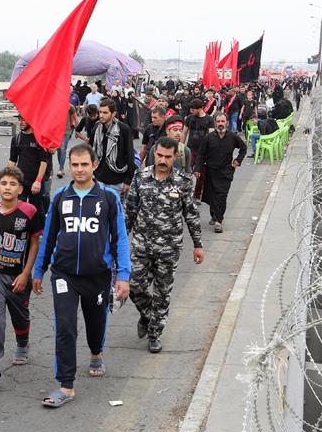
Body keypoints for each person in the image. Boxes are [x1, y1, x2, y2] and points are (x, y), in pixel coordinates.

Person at [32, 143, 131, 408]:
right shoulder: (61, 198)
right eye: (74, 165)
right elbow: (49, 236)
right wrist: (38, 270)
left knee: (95, 322)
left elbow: (119, 238)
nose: (78, 170)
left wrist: (123, 275)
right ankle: (66, 385)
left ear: (94, 165)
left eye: (84, 164)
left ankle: (96, 352)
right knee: (65, 327)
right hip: (64, 274)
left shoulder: (108, 198)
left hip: (97, 275)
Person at [127, 137, 204, 353]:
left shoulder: (183, 181)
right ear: (154, 153)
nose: (162, 160)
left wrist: (197, 244)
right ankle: (147, 314)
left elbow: (191, 215)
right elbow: (130, 211)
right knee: (134, 285)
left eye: (167, 157)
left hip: (169, 249)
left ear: (175, 158)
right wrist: (119, 243)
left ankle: (154, 333)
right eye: (159, 155)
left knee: (162, 293)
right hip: (141, 244)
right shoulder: (140, 177)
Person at [0, 167, 43, 396]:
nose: (7, 187)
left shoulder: (30, 212)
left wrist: (26, 274)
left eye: (12, 184)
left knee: (20, 315)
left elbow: (35, 244)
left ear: (20, 189)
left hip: (18, 276)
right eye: (3, 183)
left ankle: (23, 343)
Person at [195, 113, 247, 233]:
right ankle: (214, 215)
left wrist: (238, 160)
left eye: (222, 121)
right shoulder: (209, 138)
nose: (220, 124)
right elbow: (201, 154)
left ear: (227, 122)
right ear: (215, 123)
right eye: (218, 121)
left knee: (221, 196)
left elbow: (243, 148)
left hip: (225, 172)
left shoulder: (233, 137)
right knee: (212, 196)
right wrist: (197, 169)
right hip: (210, 171)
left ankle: (219, 221)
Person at [89, 98, 135, 198]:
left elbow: (130, 155)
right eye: (100, 112)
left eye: (105, 112)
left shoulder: (123, 129)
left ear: (113, 114)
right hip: (99, 179)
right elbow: (90, 152)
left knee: (116, 211)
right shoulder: (96, 128)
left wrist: (128, 180)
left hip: (118, 181)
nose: (101, 115)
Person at [8, 116, 49, 214]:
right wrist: (7, 178)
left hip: (35, 181)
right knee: (19, 210)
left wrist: (38, 181)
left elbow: (44, 161)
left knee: (36, 212)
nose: (20, 122)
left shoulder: (39, 138)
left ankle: (39, 229)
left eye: (23, 120)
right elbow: (12, 160)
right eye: (19, 120)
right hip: (21, 180)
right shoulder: (16, 138)